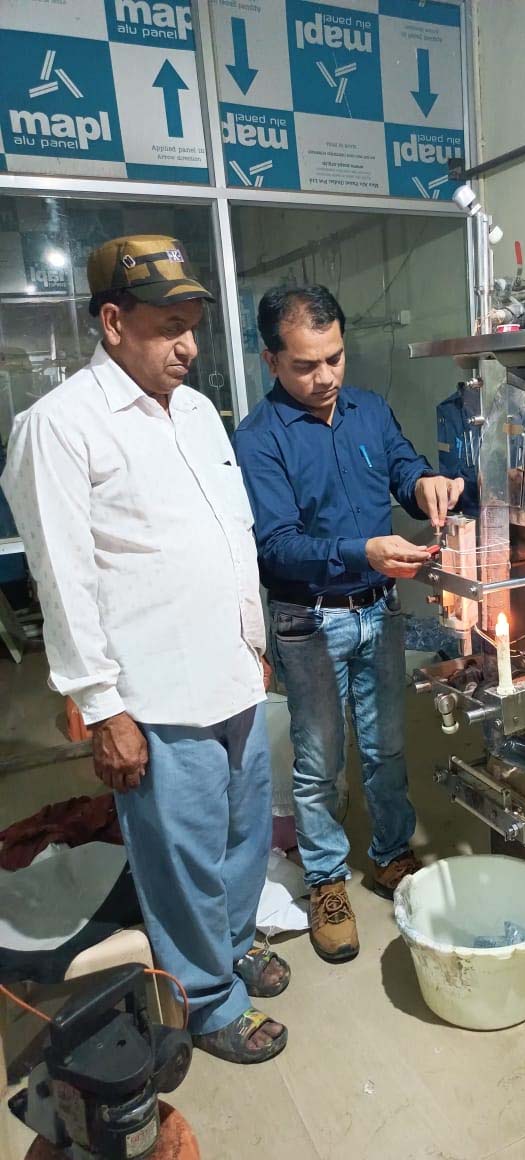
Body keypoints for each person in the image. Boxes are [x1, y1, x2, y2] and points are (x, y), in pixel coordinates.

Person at [1, 236, 288, 1065]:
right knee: (180, 861)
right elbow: (63, 581)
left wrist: (252, 639)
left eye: (193, 326)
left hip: (232, 674)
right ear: (114, 322)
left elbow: (228, 536)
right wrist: (103, 709)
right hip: (155, 697)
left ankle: (233, 947)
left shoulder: (195, 413)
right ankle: (206, 998)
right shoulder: (60, 427)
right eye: (170, 327)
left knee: (243, 838)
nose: (189, 346)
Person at [234, 285, 463, 964]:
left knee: (387, 745)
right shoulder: (259, 439)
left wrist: (424, 484)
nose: (326, 376)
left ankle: (391, 855)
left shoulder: (369, 409)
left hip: (378, 610)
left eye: (334, 357)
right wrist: (363, 551)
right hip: (309, 621)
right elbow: (276, 546)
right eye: (305, 365)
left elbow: (402, 468)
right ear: (272, 360)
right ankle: (327, 881)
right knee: (318, 763)